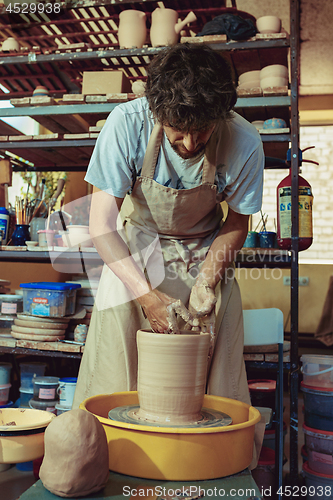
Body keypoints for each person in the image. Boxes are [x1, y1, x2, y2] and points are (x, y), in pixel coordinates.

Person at [72, 43, 264, 410]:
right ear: (157, 112)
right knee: (115, 373)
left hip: (206, 254)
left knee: (217, 386)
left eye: (203, 130)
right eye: (179, 130)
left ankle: (208, 461)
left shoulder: (244, 140)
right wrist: (146, 297)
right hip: (132, 252)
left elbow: (238, 221)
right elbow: (101, 225)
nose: (191, 143)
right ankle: (111, 459)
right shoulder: (126, 124)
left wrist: (207, 281)